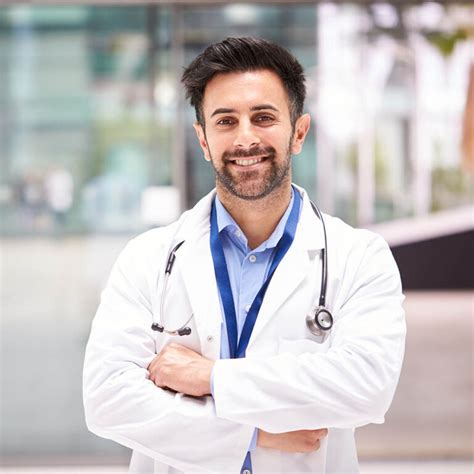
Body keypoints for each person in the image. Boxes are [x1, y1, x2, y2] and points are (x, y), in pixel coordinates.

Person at [83, 37, 406, 474]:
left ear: (299, 132)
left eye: (264, 117)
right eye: (225, 121)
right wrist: (252, 435)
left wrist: (209, 378)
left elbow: (366, 388)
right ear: (203, 139)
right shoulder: (148, 258)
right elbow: (108, 399)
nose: (246, 138)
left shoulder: (360, 258)